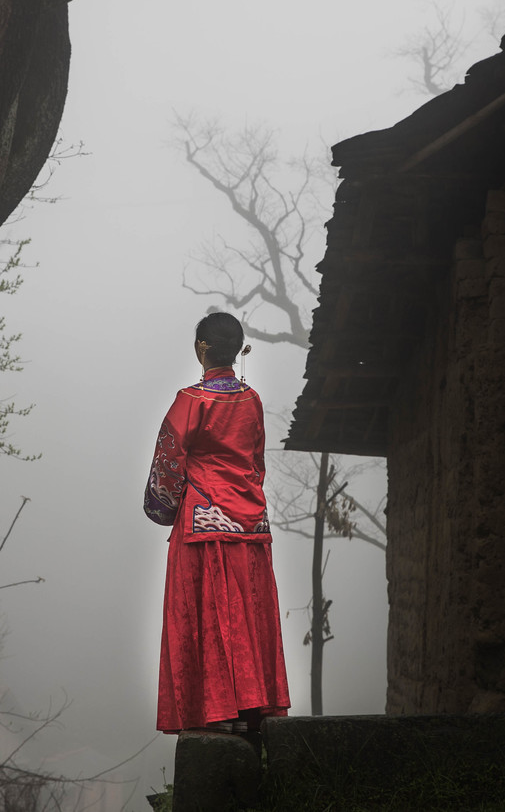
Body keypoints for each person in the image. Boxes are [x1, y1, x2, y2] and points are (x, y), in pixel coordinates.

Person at [144, 311, 290, 734]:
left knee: (208, 619)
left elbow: (167, 466)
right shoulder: (252, 401)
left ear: (201, 349)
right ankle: (252, 713)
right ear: (236, 349)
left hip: (203, 530)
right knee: (249, 616)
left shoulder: (190, 401)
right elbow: (256, 464)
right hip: (250, 528)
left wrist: (164, 509)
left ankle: (214, 713)